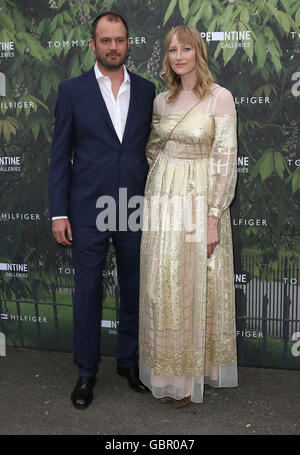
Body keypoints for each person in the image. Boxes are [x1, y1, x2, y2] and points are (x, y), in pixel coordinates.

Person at [49, 12, 155, 409]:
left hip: (133, 208)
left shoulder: (147, 91)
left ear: (129, 43)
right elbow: (60, 157)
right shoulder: (72, 91)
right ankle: (86, 373)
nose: (113, 47)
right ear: (92, 44)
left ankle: (129, 363)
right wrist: (58, 212)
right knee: (87, 292)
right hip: (86, 211)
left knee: (134, 290)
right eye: (106, 40)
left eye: (120, 40)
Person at [139, 25, 238, 408]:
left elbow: (225, 159)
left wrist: (213, 215)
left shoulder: (220, 99)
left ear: (198, 51)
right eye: (172, 50)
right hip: (164, 199)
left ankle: (193, 375)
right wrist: (166, 178)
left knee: (197, 283)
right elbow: (153, 148)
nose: (178, 56)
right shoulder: (162, 100)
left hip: (200, 201)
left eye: (185, 49)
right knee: (163, 283)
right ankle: (167, 374)